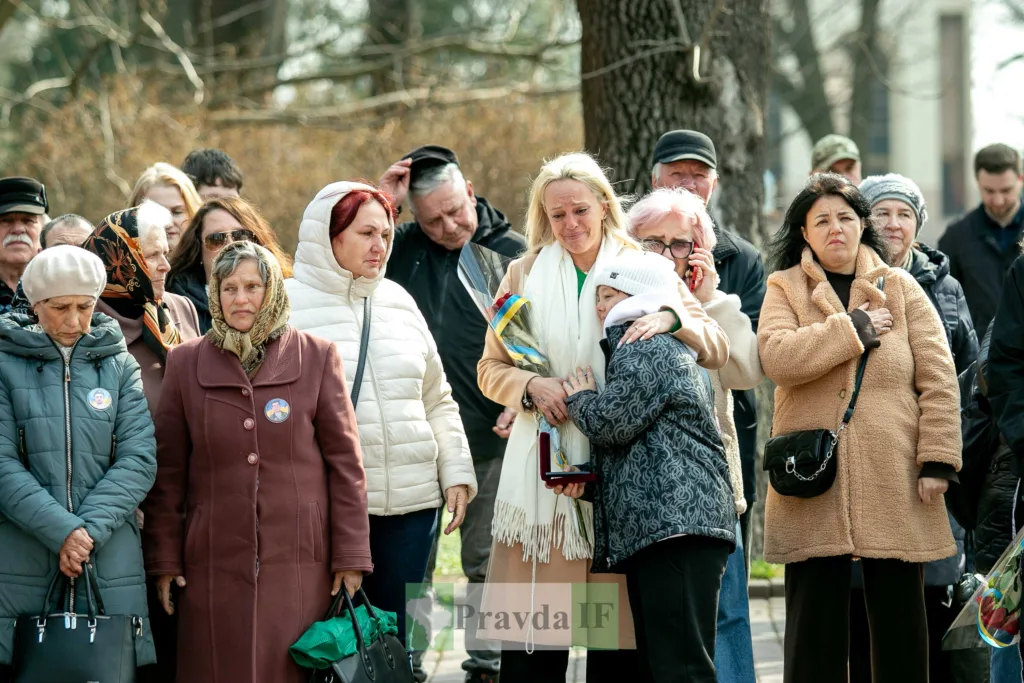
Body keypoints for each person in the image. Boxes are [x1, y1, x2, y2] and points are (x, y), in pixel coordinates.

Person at [476, 152, 729, 681]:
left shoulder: (644, 265)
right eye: (556, 214)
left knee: (614, 655)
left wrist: (671, 315)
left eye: (580, 211)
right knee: (532, 649)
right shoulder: (522, 272)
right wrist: (531, 385)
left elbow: (717, 345)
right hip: (541, 481)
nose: (569, 225)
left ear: (604, 207)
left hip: (619, 482)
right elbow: (489, 369)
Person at [759, 173, 962, 683]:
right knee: (813, 626)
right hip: (812, 472)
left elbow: (939, 378)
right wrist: (854, 330)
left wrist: (937, 460)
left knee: (899, 624)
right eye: (821, 220)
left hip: (893, 470)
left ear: (862, 225)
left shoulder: (902, 287)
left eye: (846, 218)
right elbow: (778, 357)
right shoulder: (784, 287)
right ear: (804, 233)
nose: (835, 229)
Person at [143, 241, 371, 683]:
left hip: (301, 559)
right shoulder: (185, 362)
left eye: (253, 286)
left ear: (273, 292)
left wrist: (351, 554)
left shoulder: (316, 357)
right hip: (212, 559)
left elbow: (346, 466)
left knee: (289, 667)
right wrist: (165, 560)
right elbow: (167, 474)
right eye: (229, 288)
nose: (241, 299)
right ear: (215, 294)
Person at [286, 180, 477, 652]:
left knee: (403, 646)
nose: (380, 246)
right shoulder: (287, 307)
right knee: (336, 645)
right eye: (366, 233)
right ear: (329, 236)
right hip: (332, 513)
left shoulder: (399, 301)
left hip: (415, 510)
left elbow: (437, 398)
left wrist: (455, 471)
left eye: (386, 235)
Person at [554, 250, 736, 683]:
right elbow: (649, 450)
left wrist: (579, 397)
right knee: (668, 664)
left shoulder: (643, 347)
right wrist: (591, 483)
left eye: (610, 294)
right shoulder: (651, 346)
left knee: (682, 668)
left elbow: (610, 423)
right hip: (674, 525)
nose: (600, 306)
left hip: (675, 529)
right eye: (597, 296)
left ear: (637, 297)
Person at [379, 145, 525, 683]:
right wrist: (382, 202)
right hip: (411, 437)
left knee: (487, 561)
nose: (449, 226)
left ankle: (486, 667)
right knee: (409, 563)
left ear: (471, 192)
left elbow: (545, 343)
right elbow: (338, 255)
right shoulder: (397, 250)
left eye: (456, 210)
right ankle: (406, 662)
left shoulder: (510, 253)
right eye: (432, 219)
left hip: (491, 437)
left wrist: (521, 394)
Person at [0, 245, 158, 677]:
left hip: (106, 555)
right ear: (34, 306)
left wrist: (84, 532)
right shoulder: (3, 363)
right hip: (23, 556)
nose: (73, 322)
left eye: (84, 307)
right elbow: (2, 465)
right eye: (59, 308)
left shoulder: (120, 364)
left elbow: (139, 458)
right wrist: (61, 531)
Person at [627, 187, 762, 681]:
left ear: (698, 251)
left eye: (679, 243)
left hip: (712, 495)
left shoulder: (713, 307)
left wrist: (709, 301)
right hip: (637, 497)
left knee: (726, 617)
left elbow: (746, 370)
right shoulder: (614, 301)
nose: (666, 254)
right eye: (652, 242)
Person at [857, 173, 981, 682]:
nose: (893, 224)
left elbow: (966, 378)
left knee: (931, 595)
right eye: (882, 213)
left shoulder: (946, 289)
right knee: (866, 600)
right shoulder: (846, 280)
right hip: (866, 459)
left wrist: (946, 455)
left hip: (928, 463)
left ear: (918, 224)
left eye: (904, 214)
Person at [80, 200, 201, 683]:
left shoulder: (181, 310)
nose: (167, 264)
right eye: (152, 255)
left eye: (166, 251)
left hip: (194, 516)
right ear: (120, 259)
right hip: (126, 524)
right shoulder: (90, 325)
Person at [166, 196, 292, 333]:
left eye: (241, 236)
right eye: (216, 239)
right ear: (198, 249)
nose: (231, 245)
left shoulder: (289, 295)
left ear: (257, 242)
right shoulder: (174, 307)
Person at [938, 144, 1024, 338]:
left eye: (1006, 190)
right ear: (977, 182)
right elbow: (944, 302)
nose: (998, 200)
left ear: (1021, 180)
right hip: (978, 355)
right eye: (989, 191)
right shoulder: (955, 237)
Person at [129, 162, 203, 252]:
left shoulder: (212, 263)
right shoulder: (114, 262)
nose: (168, 224)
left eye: (177, 212)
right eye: (157, 214)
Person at [0, 176, 45, 313]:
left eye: (28, 220)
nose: (18, 229)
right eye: (6, 220)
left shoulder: (62, 283)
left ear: (43, 228)